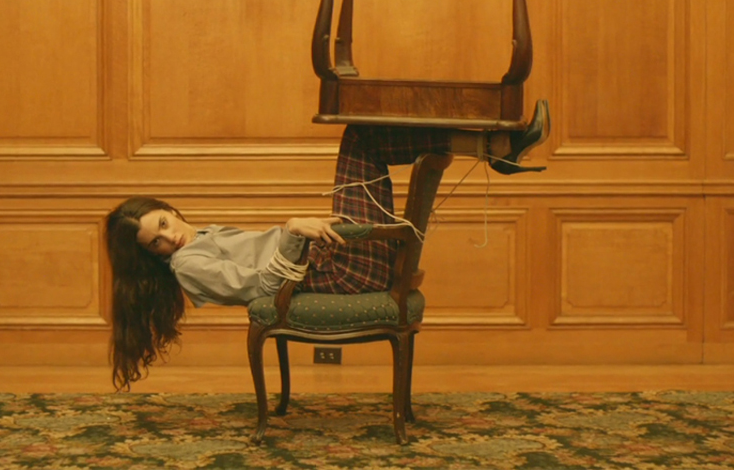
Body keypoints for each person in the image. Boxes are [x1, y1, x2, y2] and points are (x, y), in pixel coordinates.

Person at [106, 102, 550, 391]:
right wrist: (293, 231)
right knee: (361, 137)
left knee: (364, 137)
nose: (169, 238)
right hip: (340, 276)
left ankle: (495, 147)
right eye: (155, 243)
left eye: (163, 224)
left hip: (334, 267)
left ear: (169, 209)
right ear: (151, 256)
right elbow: (261, 289)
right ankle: (495, 147)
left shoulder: (203, 236)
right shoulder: (187, 264)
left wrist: (302, 232)